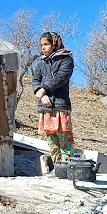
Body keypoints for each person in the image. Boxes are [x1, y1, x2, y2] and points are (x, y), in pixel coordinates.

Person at [32, 31, 74, 165]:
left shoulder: (66, 59)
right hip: (46, 107)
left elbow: (61, 78)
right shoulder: (41, 62)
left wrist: (44, 89)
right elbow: (35, 80)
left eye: (46, 44)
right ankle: (57, 167)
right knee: (52, 140)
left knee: (64, 138)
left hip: (60, 105)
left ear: (55, 44)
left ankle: (67, 166)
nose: (43, 48)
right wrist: (40, 91)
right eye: (41, 45)